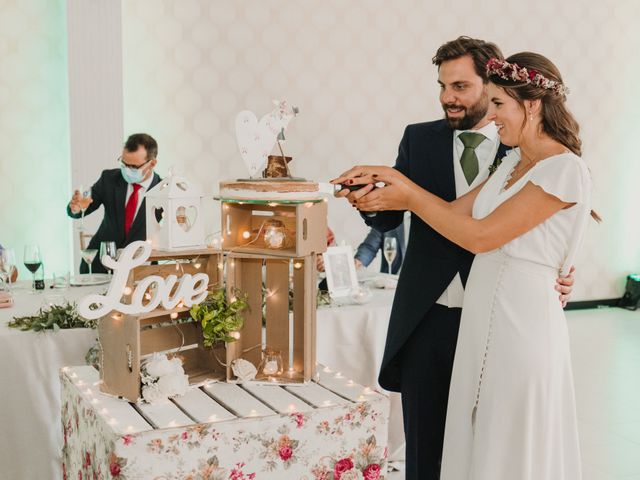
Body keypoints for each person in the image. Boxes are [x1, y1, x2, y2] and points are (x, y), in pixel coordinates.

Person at [334, 51, 594, 480]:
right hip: (480, 317)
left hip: (521, 324)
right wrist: (389, 181)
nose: (491, 117)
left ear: (530, 104)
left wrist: (408, 192)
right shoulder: (512, 161)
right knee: (476, 437)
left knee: (511, 438)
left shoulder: (564, 169)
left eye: (498, 104)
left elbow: (480, 236)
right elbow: (455, 216)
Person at [67, 133, 161, 274]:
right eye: (123, 163)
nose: (127, 170)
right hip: (100, 264)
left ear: (152, 163)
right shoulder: (109, 179)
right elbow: (85, 204)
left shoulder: (163, 190)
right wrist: (77, 207)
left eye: (133, 167)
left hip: (140, 267)